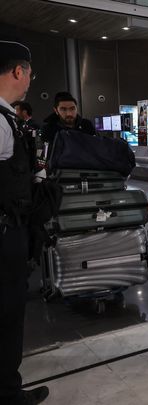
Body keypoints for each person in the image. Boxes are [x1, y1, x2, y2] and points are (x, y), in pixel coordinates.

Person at [0, 40, 50, 405]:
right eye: (30, 72)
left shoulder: (7, 118)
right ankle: (8, 394)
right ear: (19, 71)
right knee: (8, 313)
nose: (30, 79)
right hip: (5, 234)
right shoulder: (1, 123)